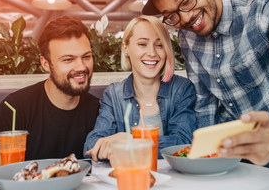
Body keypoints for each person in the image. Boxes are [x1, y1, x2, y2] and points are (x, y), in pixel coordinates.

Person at [142, 0, 269, 179]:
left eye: (186, 1)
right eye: (171, 15)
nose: (185, 19)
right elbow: (204, 101)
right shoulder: (186, 37)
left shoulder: (266, 6)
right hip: (236, 146)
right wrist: (205, 156)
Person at [0, 16, 99, 180]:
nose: (81, 67)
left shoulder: (98, 110)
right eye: (68, 59)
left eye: (86, 57)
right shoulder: (14, 109)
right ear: (46, 64)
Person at [84, 15, 196, 162]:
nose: (152, 53)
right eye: (142, 44)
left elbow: (182, 143)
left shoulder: (182, 89)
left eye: (160, 44)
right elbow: (92, 145)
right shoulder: (114, 94)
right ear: (126, 48)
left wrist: (130, 141)